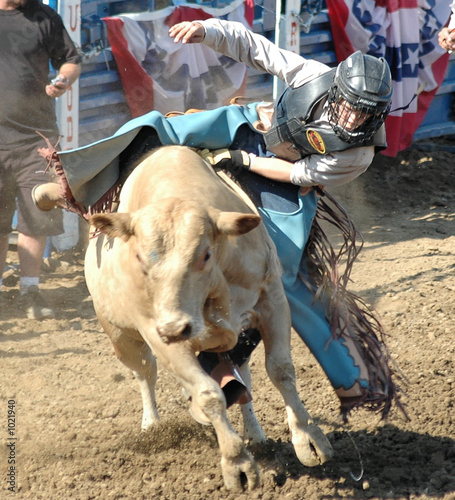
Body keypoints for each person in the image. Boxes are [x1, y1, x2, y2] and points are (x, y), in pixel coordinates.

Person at [33, 19, 403, 418]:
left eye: (364, 114)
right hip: (251, 127)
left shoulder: (357, 154)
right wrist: (207, 31)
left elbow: (301, 176)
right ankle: (76, 184)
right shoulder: (314, 75)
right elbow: (257, 48)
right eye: (349, 105)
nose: (352, 120)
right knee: (155, 128)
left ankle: (239, 359)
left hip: (284, 179)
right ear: (337, 89)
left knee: (283, 270)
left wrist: (246, 162)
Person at [0, 0, 81, 319]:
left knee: (37, 214)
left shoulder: (44, 17)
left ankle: (29, 290)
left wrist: (63, 81)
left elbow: (71, 60)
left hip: (36, 136)